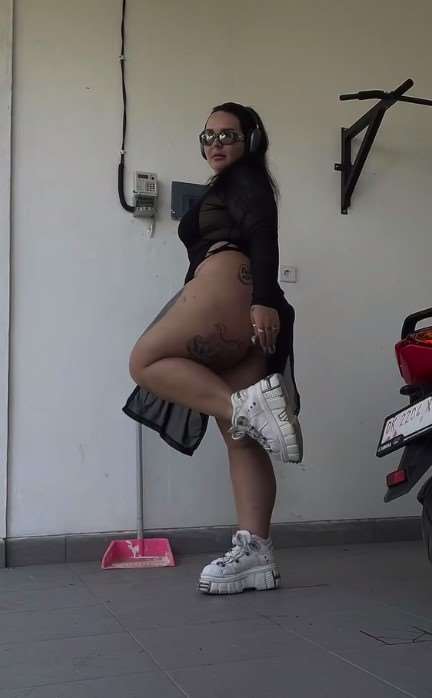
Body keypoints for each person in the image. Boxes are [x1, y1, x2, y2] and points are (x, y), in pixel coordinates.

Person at [124, 102, 302, 594]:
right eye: (208, 136)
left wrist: (263, 299)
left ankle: (246, 406)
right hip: (240, 301)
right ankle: (256, 554)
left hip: (235, 293)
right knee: (241, 437)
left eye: (228, 134)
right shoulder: (231, 183)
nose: (216, 143)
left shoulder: (245, 180)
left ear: (251, 140)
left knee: (146, 361)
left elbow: (263, 232)